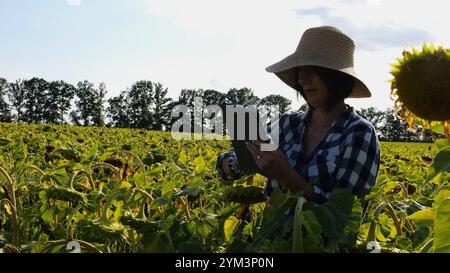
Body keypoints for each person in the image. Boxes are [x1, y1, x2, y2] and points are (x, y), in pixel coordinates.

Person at [215, 26, 380, 206]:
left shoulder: (358, 133)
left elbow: (342, 217)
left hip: (317, 236)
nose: (302, 78)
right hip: (271, 233)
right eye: (300, 71)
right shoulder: (289, 124)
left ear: (336, 77)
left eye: (312, 70)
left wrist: (285, 174)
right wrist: (244, 158)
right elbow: (224, 168)